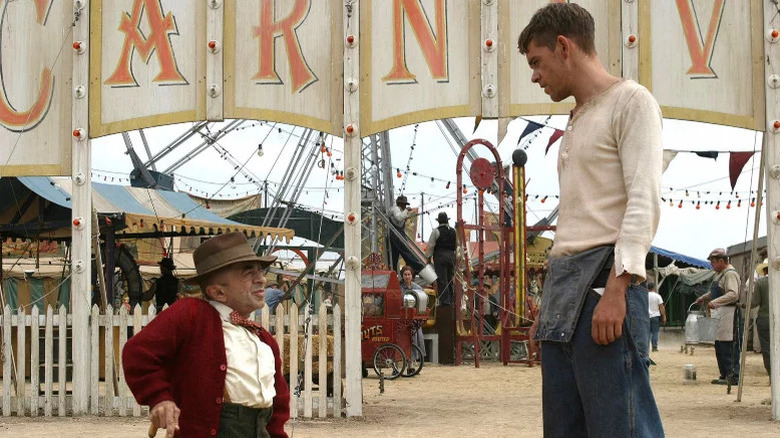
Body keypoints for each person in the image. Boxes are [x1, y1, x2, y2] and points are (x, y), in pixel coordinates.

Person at [518, 3, 664, 437]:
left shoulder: (631, 101)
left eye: (536, 62)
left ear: (564, 46)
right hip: (566, 287)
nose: (535, 76)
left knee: (622, 426)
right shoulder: (578, 116)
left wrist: (618, 288)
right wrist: (549, 312)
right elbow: (577, 223)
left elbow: (644, 199)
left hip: (605, 282)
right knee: (564, 429)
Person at [122, 232, 290, 438]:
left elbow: (278, 406)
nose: (261, 280)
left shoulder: (263, 339)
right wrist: (160, 397)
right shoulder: (192, 314)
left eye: (260, 271)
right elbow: (138, 352)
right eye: (248, 273)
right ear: (218, 292)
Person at [695, 248, 742, 385]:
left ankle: (733, 376)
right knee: (720, 345)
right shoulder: (719, 275)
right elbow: (715, 291)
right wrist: (704, 298)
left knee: (729, 345)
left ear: (721, 261)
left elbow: (733, 294)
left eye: (713, 262)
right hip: (719, 313)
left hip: (729, 314)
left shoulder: (730, 274)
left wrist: (714, 302)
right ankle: (724, 374)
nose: (711, 265)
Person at [425, 211, 457, 306]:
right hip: (451, 255)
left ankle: (445, 301)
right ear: (447, 220)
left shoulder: (436, 231)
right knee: (450, 278)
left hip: (440, 255)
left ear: (438, 221)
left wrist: (428, 258)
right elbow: (456, 245)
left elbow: (431, 245)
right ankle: (451, 299)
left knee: (442, 279)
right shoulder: (453, 231)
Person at [388, 195, 425, 274]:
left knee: (394, 258)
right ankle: (421, 270)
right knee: (407, 254)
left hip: (397, 235)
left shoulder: (398, 210)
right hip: (396, 236)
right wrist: (406, 211)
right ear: (400, 204)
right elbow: (399, 218)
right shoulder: (396, 209)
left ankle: (395, 274)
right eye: (404, 204)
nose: (405, 206)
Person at [399, 265, 427, 368]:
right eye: (405, 274)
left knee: (416, 337)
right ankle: (405, 360)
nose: (407, 277)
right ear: (402, 276)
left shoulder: (418, 288)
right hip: (402, 319)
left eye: (409, 274)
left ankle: (413, 360)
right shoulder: (398, 287)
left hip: (414, 318)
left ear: (412, 275)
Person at [751, 259, 771, 377]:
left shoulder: (760, 283)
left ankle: (771, 373)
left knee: (766, 347)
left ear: (764, 271)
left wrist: (743, 305)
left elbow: (754, 302)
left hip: (764, 319)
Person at [647, 282, 666, 352]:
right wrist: (664, 316)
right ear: (654, 288)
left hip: (646, 316)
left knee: (647, 333)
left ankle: (646, 347)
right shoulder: (657, 296)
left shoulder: (645, 296)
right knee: (655, 332)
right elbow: (661, 307)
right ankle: (654, 347)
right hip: (655, 316)